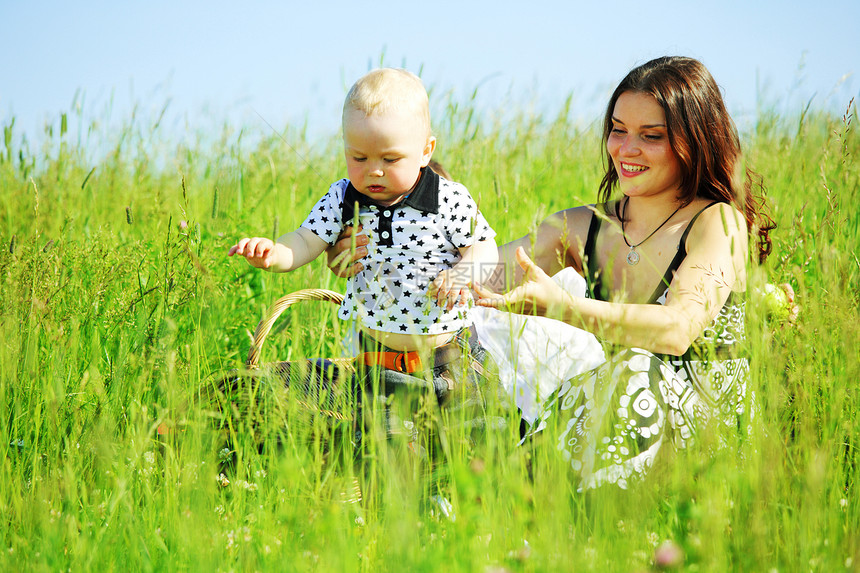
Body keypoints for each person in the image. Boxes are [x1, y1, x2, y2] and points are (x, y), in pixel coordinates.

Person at [327, 56, 776, 490]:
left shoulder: (716, 222)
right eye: (617, 131)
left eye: (651, 135)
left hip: (705, 431)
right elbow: (480, 273)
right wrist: (380, 255)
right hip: (617, 421)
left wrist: (564, 308)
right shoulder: (583, 227)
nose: (627, 149)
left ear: (694, 139)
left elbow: (678, 330)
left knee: (633, 371)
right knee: (538, 413)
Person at [229, 68, 498, 411]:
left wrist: (465, 272)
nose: (374, 170)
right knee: (383, 448)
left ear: (426, 150)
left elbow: (484, 245)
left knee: (476, 431)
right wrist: (274, 252)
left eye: (390, 158)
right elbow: (305, 241)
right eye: (359, 157)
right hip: (377, 361)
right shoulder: (342, 199)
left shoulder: (447, 198)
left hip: (450, 355)